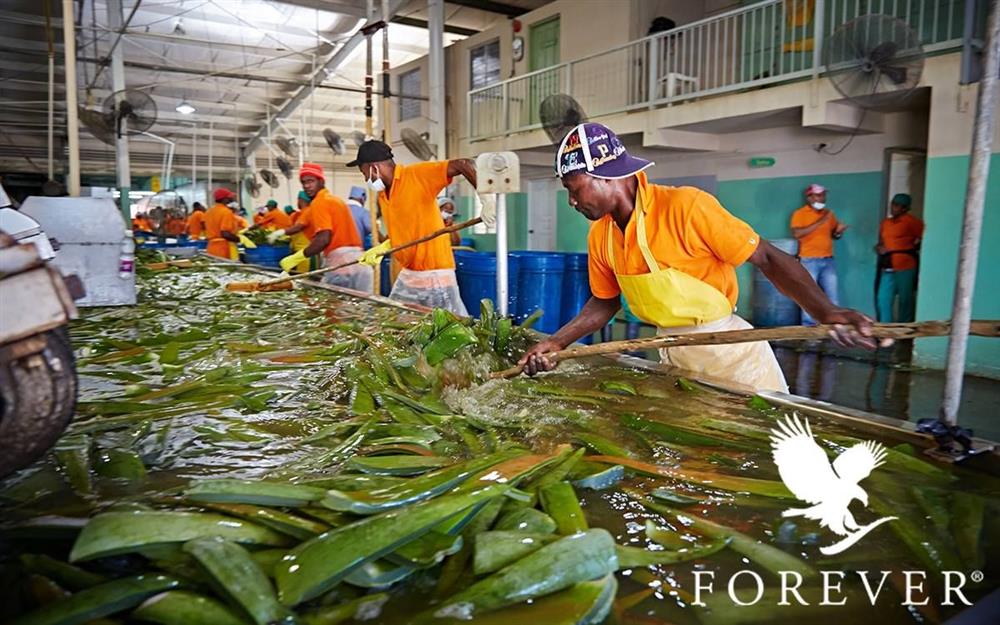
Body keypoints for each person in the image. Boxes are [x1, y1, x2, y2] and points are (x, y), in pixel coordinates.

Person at [519, 123, 886, 392]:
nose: (571, 201)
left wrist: (826, 312)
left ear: (607, 178)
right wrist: (558, 342)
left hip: (730, 357)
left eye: (573, 189)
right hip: (675, 354)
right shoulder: (602, 234)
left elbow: (768, 259)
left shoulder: (686, 206)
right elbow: (604, 302)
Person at [348, 139, 493, 315]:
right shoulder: (383, 196)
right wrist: (383, 248)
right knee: (393, 322)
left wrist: (486, 199)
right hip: (410, 274)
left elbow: (464, 164)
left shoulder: (415, 175)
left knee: (451, 331)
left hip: (434, 276)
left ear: (373, 168)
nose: (365, 179)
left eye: (364, 173)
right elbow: (402, 232)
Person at [271, 163, 371, 291]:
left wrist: (296, 258)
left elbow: (323, 238)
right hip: (358, 263)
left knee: (334, 307)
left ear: (321, 181)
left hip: (340, 265)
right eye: (303, 182)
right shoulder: (335, 199)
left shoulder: (320, 202)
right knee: (358, 307)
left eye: (311, 181)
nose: (307, 186)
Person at [790, 183, 848, 325]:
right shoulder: (800, 214)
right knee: (809, 296)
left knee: (832, 297)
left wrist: (839, 231)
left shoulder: (829, 214)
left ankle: (834, 328)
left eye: (823, 195)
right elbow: (797, 233)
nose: (822, 198)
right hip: (809, 260)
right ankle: (809, 328)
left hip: (828, 260)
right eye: (819, 195)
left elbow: (834, 235)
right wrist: (820, 221)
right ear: (809, 197)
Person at [876, 193, 924, 322]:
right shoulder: (886, 223)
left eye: (898, 205)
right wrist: (879, 247)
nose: (894, 208)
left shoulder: (912, 222)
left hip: (906, 265)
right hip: (888, 265)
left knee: (905, 300)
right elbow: (882, 241)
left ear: (905, 208)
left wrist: (911, 248)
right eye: (893, 204)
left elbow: (925, 239)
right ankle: (886, 331)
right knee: (883, 299)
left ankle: (904, 332)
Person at [204, 188, 240, 259]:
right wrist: (239, 239)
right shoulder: (226, 212)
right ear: (224, 199)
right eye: (229, 198)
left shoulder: (209, 212)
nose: (231, 199)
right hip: (223, 248)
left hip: (211, 248)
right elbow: (225, 234)